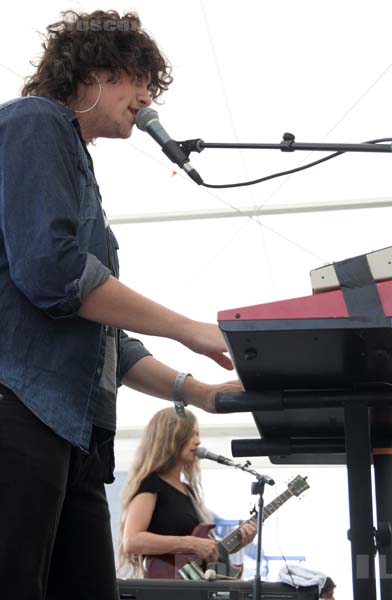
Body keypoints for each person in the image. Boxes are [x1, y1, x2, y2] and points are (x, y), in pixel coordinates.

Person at [0, 9, 242, 600]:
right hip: (21, 411)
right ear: (98, 71)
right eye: (140, 81)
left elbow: (106, 339)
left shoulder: (77, 163)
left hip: (76, 434)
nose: (146, 98)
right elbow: (52, 272)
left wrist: (200, 393)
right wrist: (187, 328)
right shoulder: (36, 122)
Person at [119, 407, 257, 578]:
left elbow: (200, 553)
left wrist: (238, 543)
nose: (198, 441)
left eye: (198, 434)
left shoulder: (188, 491)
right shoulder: (152, 483)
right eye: (191, 434)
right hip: (166, 584)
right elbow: (132, 541)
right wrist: (190, 543)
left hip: (191, 583)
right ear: (171, 437)